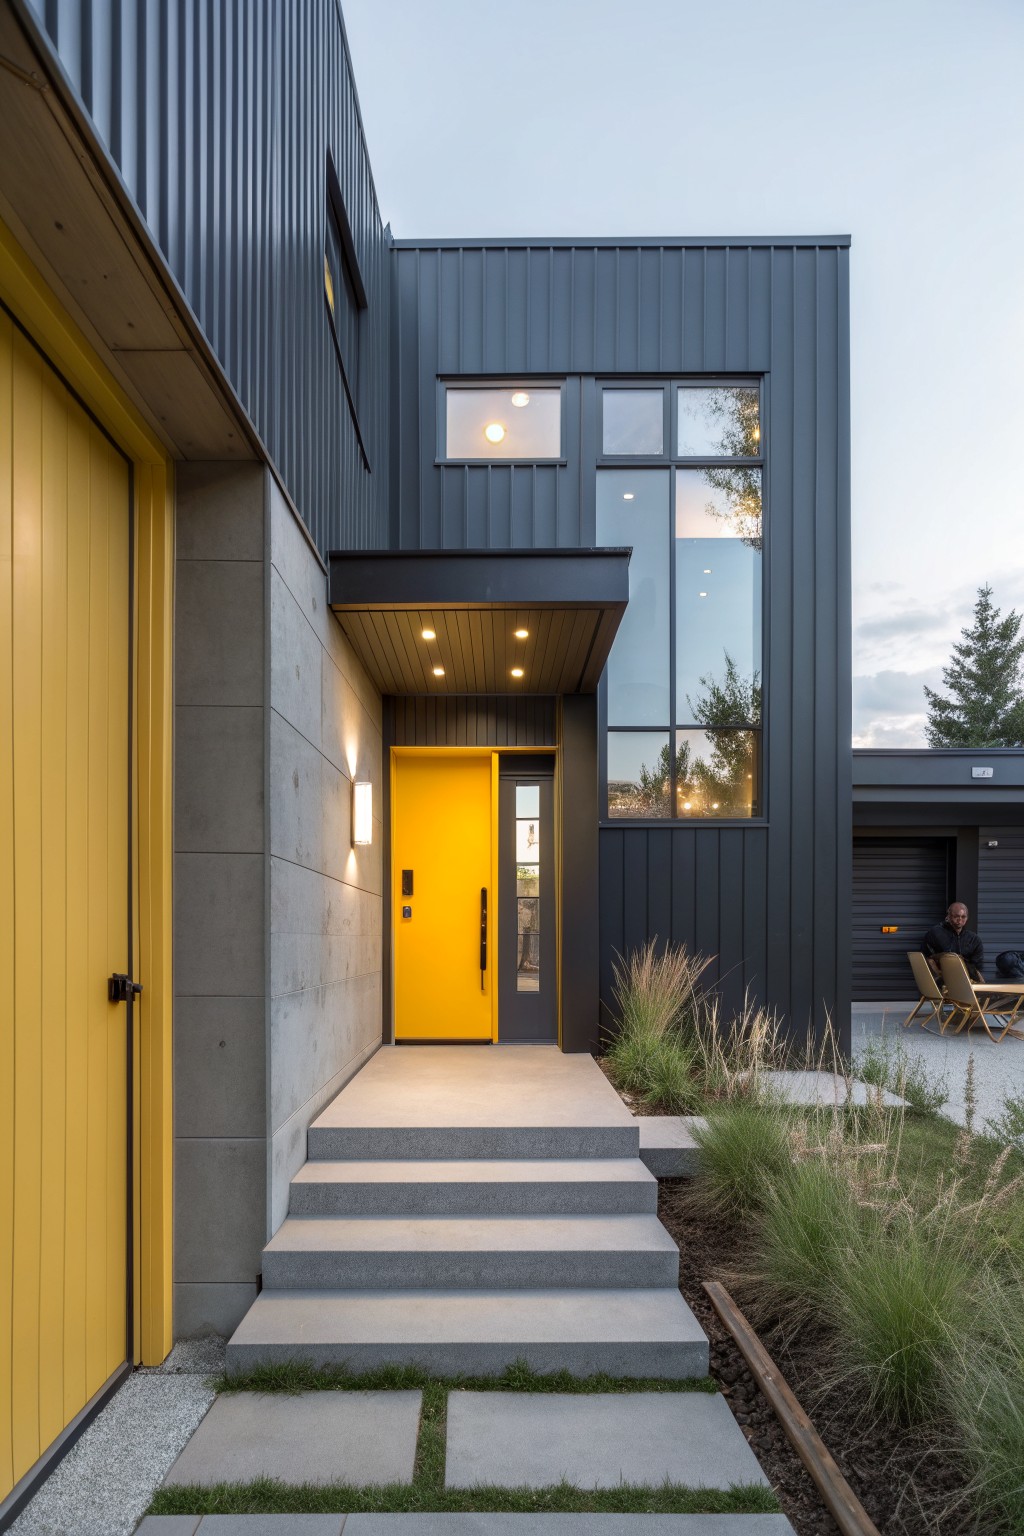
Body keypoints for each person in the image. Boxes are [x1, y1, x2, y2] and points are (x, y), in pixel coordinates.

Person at [922, 901, 985, 982]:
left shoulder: (974, 939)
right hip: (942, 981)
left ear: (967, 917)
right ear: (948, 916)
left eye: (963, 917)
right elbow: (926, 959)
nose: (960, 920)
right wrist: (939, 976)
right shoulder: (935, 933)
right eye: (956, 916)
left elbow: (977, 967)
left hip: (968, 982)